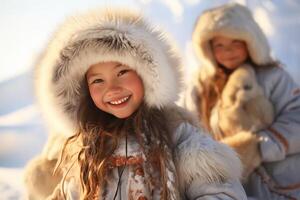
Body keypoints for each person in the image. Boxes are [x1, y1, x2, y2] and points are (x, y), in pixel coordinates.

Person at [23, 7, 247, 200]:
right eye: (98, 80)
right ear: (84, 92)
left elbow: (220, 189)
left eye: (122, 72)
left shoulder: (178, 133)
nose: (112, 88)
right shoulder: (85, 148)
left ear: (146, 75)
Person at [184, 2, 300, 200]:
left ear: (250, 42)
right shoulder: (201, 86)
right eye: (219, 45)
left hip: (280, 184)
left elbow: (296, 117)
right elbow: (188, 128)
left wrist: (258, 147)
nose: (228, 51)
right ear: (208, 49)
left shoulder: (274, 77)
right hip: (228, 187)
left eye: (235, 43)